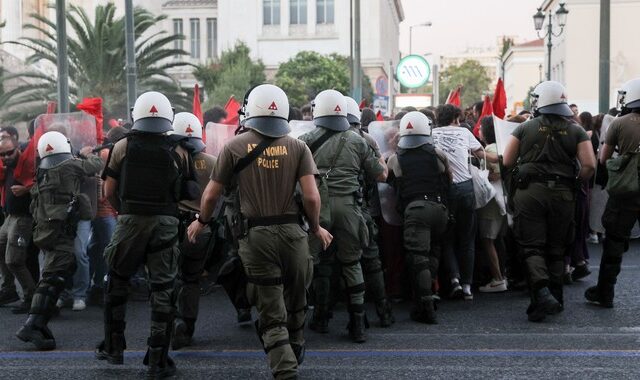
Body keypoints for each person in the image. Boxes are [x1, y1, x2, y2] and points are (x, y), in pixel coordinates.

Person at [187, 84, 331, 379]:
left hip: (256, 237)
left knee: (270, 305)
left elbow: (212, 195)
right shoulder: (298, 147)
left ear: (250, 110)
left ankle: (285, 368)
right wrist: (316, 227)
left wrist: (201, 221)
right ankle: (296, 342)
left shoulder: (233, 147)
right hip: (294, 234)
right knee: (297, 297)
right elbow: (312, 197)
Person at [95, 91, 192, 378]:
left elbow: (108, 191)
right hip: (165, 222)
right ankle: (158, 359)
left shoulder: (122, 145)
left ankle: (113, 348)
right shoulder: (180, 150)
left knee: (117, 282)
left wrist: (124, 213)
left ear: (136, 114)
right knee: (163, 289)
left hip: (129, 220)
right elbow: (186, 193)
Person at [503, 81, 595, 322]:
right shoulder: (575, 129)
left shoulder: (524, 127)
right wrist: (573, 182)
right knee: (557, 247)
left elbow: (508, 161)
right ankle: (556, 297)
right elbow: (589, 165)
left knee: (532, 246)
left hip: (530, 193)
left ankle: (541, 293)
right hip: (563, 194)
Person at [299, 90, 386, 343]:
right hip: (350, 210)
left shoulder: (304, 140)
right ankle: (357, 323)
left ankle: (313, 318)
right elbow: (381, 175)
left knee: (314, 264)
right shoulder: (358, 140)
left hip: (317, 210)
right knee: (351, 263)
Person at [16, 131, 103, 350]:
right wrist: (86, 154)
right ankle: (33, 324)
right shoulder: (70, 165)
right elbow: (96, 164)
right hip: (61, 231)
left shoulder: (43, 170)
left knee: (58, 271)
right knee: (52, 278)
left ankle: (39, 322)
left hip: (46, 231)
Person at [387, 111, 451, 323]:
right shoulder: (438, 154)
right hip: (440, 209)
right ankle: (430, 292)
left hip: (415, 211)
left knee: (418, 258)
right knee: (434, 252)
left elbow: (388, 179)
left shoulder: (396, 158)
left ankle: (425, 306)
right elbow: (448, 179)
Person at [585, 78, 640, 308]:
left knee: (614, 242)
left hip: (625, 193)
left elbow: (603, 158)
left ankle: (605, 292)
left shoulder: (619, 123)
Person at [170, 112, 218, 350]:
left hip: (171, 227)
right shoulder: (212, 162)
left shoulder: (168, 160)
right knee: (191, 279)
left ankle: (168, 324)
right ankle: (186, 327)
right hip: (200, 228)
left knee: (167, 277)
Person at [345, 96, 394, 327]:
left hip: (326, 211)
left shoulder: (314, 139)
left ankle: (323, 317)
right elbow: (382, 174)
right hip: (362, 208)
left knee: (328, 265)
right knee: (371, 260)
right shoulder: (367, 140)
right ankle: (383, 311)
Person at [432, 104, 488, 301]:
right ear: (456, 118)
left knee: (446, 237)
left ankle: (454, 279)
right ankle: (467, 286)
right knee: (467, 239)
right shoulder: (464, 132)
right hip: (465, 189)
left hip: (444, 190)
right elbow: (481, 154)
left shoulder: (431, 134)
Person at [0, 134, 36, 313]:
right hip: (10, 217)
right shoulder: (8, 167)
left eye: (9, 152)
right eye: (2, 154)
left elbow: (42, 183)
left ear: (18, 149)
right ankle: (9, 290)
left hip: (23, 218)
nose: (6, 157)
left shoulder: (28, 164)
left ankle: (31, 298)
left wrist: (26, 189)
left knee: (14, 260)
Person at [477, 116, 508, 293]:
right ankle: (503, 275)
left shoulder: (489, 149)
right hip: (503, 199)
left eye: (481, 128)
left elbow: (493, 175)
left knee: (488, 240)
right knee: (499, 240)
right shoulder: (503, 146)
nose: (479, 131)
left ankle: (497, 279)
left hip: (492, 202)